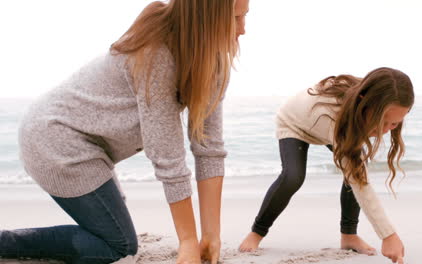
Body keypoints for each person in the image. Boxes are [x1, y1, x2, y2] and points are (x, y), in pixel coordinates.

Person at [0, 0, 249, 263]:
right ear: (206, 17)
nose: (243, 29)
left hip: (90, 147)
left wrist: (211, 235)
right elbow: (168, 155)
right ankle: (6, 243)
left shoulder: (215, 62)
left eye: (246, 17)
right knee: (118, 245)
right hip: (53, 139)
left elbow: (208, 148)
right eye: (235, 19)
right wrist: (187, 241)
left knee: (111, 232)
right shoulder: (157, 53)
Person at [239, 67, 414, 264]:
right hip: (294, 123)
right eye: (381, 121)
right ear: (365, 101)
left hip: (330, 127)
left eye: (393, 124)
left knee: (355, 167)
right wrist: (388, 235)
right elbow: (360, 182)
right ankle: (257, 232)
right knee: (293, 177)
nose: (383, 131)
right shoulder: (333, 114)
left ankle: (349, 236)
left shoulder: (368, 104)